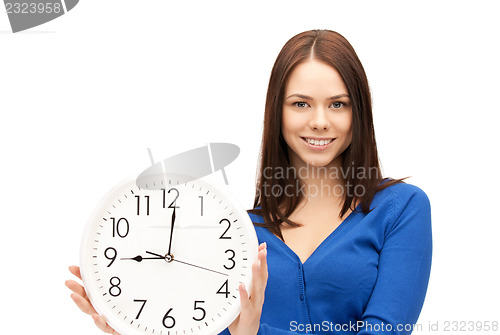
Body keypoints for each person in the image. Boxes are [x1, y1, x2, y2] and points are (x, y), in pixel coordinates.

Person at [66, 29, 432, 335]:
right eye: (301, 104)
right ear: (277, 111)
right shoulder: (237, 233)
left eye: (338, 104)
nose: (320, 121)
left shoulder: (401, 209)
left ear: (359, 112)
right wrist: (133, 326)